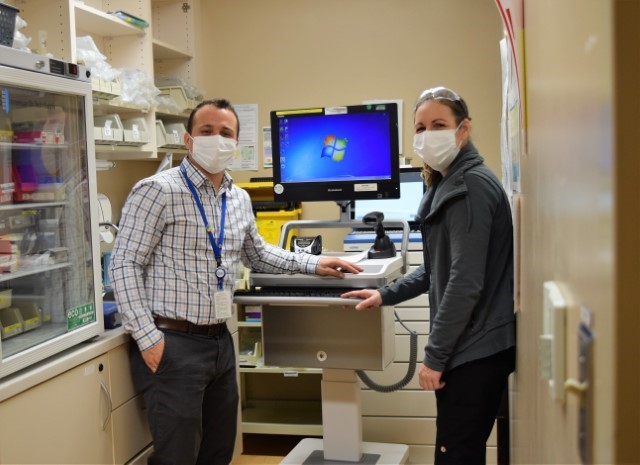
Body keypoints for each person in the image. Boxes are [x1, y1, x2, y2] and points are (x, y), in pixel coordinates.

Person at [110, 98, 362, 465]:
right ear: (188, 139)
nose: (217, 139)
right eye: (206, 131)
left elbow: (258, 255)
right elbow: (124, 263)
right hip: (173, 343)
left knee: (218, 450)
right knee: (177, 456)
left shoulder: (239, 198)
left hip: (219, 344)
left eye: (225, 133)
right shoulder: (157, 190)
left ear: (236, 143)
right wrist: (149, 339)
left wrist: (315, 263)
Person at [342, 86, 515, 465]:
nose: (426, 135)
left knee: (455, 455)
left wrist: (434, 358)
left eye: (438, 124)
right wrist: (384, 294)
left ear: (463, 130)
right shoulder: (449, 182)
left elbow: (464, 283)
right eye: (420, 127)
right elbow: (439, 266)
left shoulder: (467, 189)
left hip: (474, 351)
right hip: (473, 346)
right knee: (456, 451)